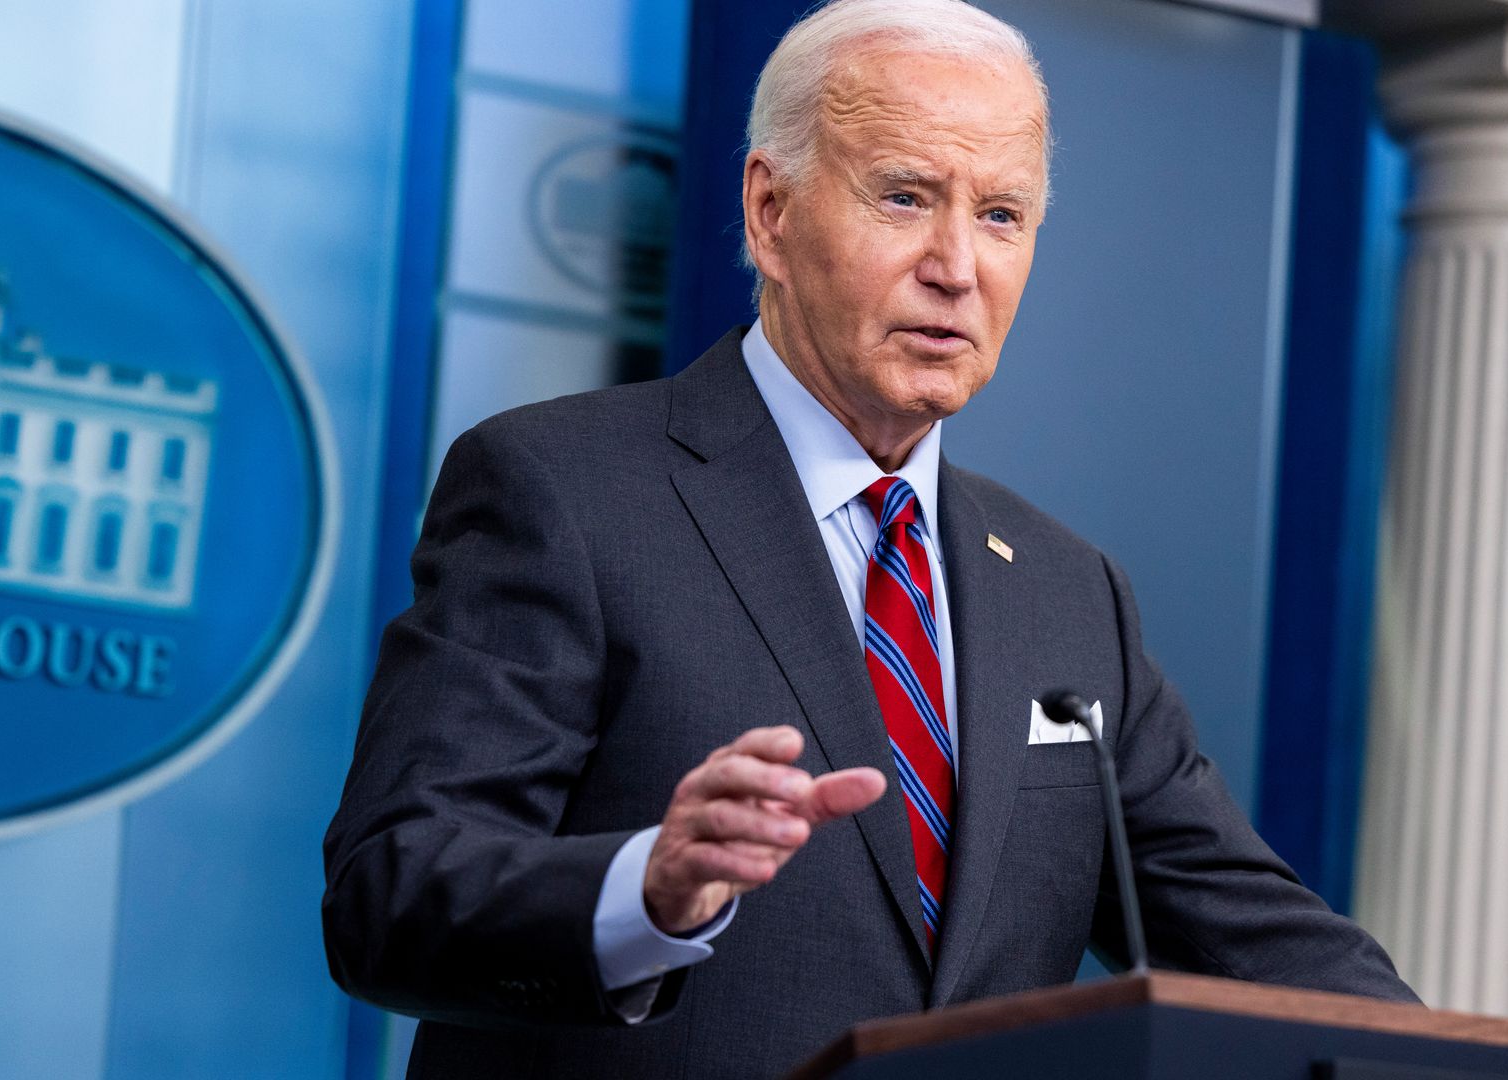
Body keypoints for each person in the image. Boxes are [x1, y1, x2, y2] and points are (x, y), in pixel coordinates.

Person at [322, 1, 1417, 1076]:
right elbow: (392, 893)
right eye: (905, 196)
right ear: (770, 213)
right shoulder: (561, 490)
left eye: (1001, 215)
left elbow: (1252, 937)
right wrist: (645, 890)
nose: (957, 266)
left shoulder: (1069, 591)